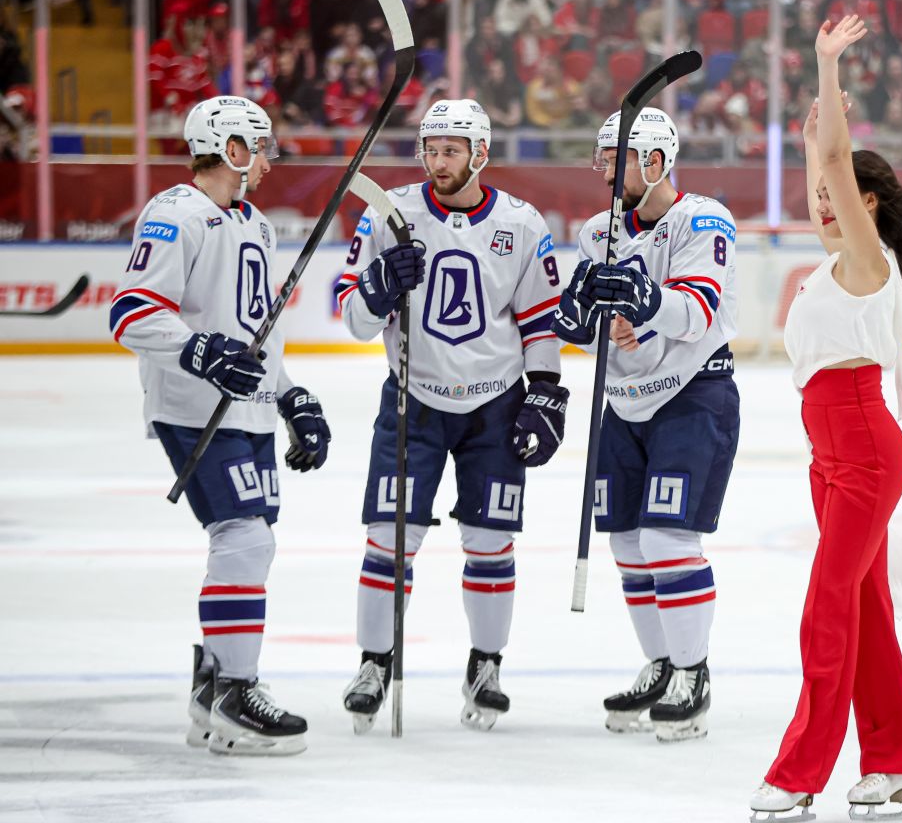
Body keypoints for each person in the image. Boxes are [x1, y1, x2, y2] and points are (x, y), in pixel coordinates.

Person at [749, 15, 902, 823]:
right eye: (819, 197)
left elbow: (835, 159)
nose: (823, 205)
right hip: (829, 453)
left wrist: (827, 68)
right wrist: (808, 144)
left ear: (870, 205)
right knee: (864, 609)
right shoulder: (838, 260)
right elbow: (821, 167)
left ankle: (800, 771)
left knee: (828, 607)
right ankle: (894, 763)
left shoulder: (867, 259)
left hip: (863, 446)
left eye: (838, 197)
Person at [110, 95, 332, 757]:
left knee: (252, 543)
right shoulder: (175, 214)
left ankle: (212, 690)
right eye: (259, 148)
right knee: (243, 537)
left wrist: (291, 397)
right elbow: (131, 312)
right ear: (231, 149)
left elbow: (253, 334)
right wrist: (200, 353)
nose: (268, 161)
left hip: (249, 410)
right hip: (193, 407)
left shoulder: (256, 224)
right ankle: (235, 691)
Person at [336, 99, 566, 734]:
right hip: (413, 400)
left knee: (490, 542)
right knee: (390, 539)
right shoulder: (390, 215)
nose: (438, 162)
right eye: (431, 150)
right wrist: (381, 284)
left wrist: (546, 390)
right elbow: (354, 317)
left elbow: (540, 320)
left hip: (496, 405)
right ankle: (374, 662)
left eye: (451, 151)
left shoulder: (521, 223)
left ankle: (485, 666)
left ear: (480, 154)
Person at [551, 108, 739, 743]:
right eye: (602, 159)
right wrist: (581, 319)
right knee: (628, 544)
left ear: (655, 163)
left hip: (692, 395)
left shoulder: (704, 219)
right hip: (624, 402)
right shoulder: (597, 232)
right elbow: (587, 328)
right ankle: (661, 666)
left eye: (615, 161)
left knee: (667, 540)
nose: (603, 172)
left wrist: (644, 302)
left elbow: (697, 310)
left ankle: (693, 673)